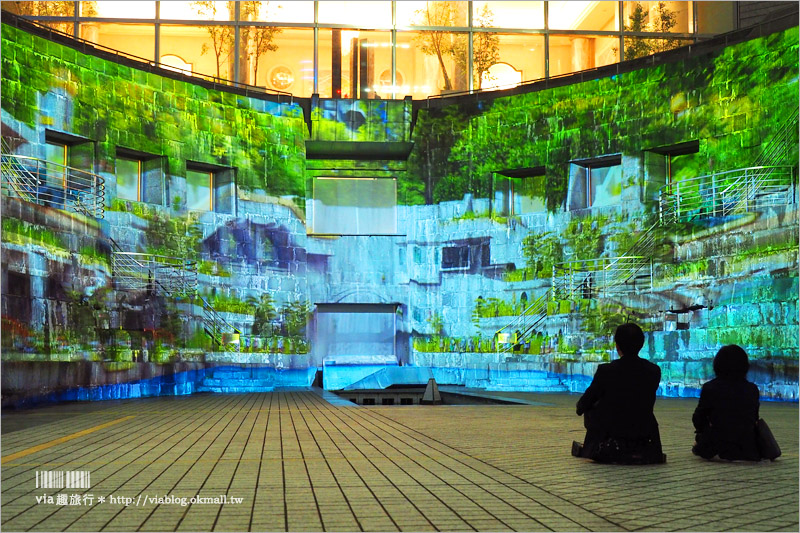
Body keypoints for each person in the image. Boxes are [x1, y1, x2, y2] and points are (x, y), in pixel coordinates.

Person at [572, 323, 666, 464]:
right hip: (642, 430)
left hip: (612, 432)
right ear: (641, 344)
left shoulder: (606, 371)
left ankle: (597, 444)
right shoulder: (653, 371)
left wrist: (580, 407)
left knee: (593, 405)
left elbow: (586, 401)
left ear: (617, 346)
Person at [692, 345, 761, 461]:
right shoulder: (752, 389)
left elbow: (699, 418)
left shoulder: (710, 388)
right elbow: (754, 417)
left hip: (719, 443)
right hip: (747, 445)